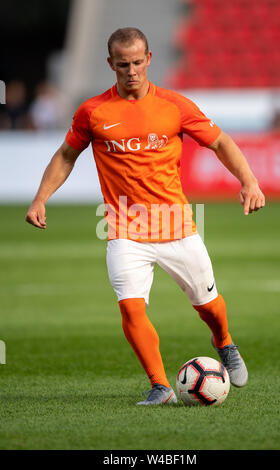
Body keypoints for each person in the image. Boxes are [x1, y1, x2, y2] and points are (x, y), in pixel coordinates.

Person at [26, 27, 265, 406]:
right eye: (123, 64)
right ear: (111, 64)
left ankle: (224, 342)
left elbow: (220, 142)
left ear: (149, 59)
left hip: (177, 227)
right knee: (130, 305)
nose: (132, 71)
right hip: (123, 228)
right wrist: (41, 198)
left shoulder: (174, 106)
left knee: (210, 307)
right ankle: (160, 386)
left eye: (138, 62)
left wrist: (249, 181)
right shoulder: (93, 111)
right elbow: (66, 155)